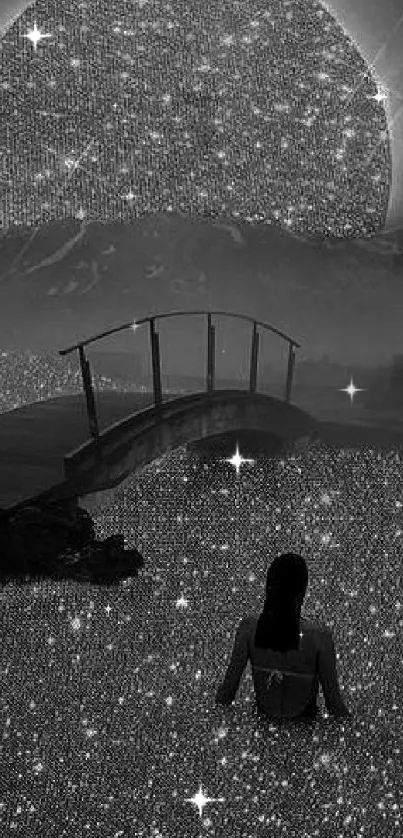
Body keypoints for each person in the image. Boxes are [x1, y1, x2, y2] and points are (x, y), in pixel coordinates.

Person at [215, 552, 352, 722]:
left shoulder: (249, 628)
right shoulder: (319, 637)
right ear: (302, 591)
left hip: (263, 731)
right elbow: (334, 705)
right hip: (303, 734)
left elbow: (226, 695)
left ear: (269, 587)